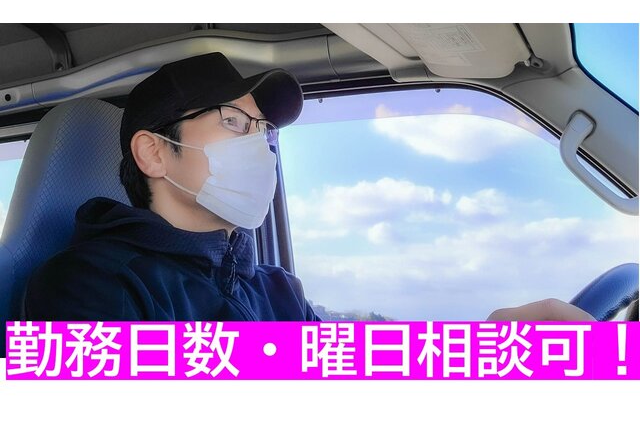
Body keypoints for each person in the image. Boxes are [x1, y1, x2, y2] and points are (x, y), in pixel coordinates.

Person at [24, 52, 594, 323]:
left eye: (262, 130)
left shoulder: (275, 287)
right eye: (233, 122)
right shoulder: (85, 288)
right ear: (154, 152)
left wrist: (493, 342)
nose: (259, 146)